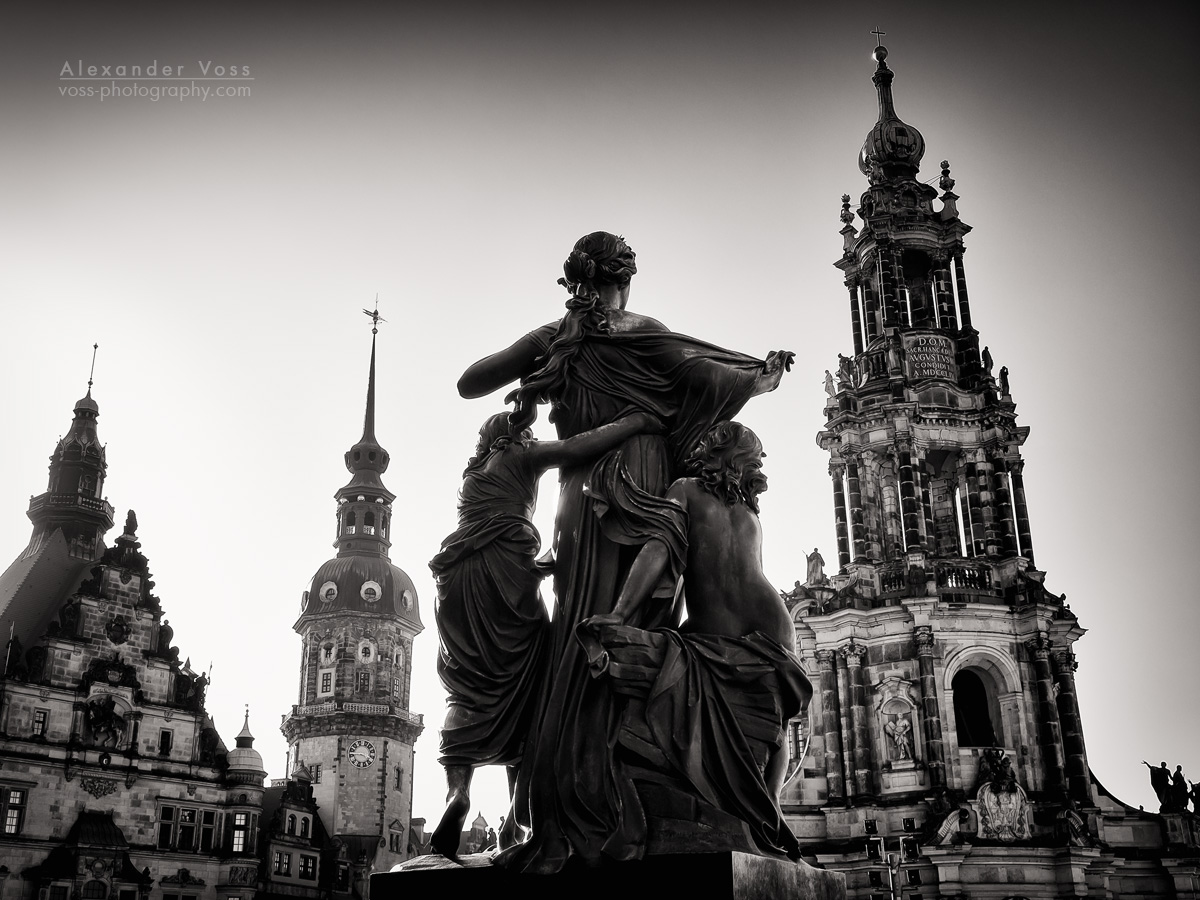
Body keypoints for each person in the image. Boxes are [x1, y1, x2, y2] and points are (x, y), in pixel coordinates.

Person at [459, 232, 793, 872]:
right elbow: (712, 375)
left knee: (576, 642)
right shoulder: (647, 332)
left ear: (574, 282)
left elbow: (470, 383)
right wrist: (760, 376)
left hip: (581, 497)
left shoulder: (557, 335)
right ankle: (619, 803)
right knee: (631, 632)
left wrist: (545, 354)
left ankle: (565, 810)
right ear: (627, 280)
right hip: (641, 485)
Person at [429, 409, 663, 857]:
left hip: (457, 584)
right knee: (532, 686)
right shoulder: (519, 454)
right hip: (505, 576)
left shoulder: (472, 474)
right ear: (515, 436)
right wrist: (634, 422)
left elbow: (488, 532)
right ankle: (521, 822)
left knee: (467, 688)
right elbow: (576, 448)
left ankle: (457, 792)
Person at [580, 421, 809, 859]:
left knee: (768, 724)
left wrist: (621, 612)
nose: (760, 465)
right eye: (756, 456)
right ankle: (768, 813)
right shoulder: (746, 511)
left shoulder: (686, 490)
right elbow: (671, 553)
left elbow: (658, 550)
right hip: (770, 624)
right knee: (775, 727)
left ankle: (766, 814)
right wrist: (623, 615)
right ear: (736, 457)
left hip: (731, 627)